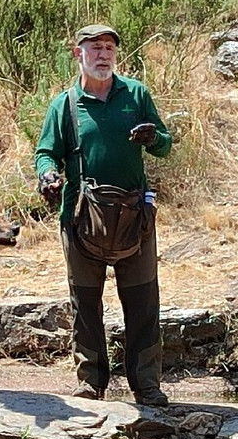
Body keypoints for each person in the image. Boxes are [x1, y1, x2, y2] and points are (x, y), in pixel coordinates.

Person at [34, 24, 172, 407]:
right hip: (81, 218)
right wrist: (48, 175)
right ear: (78, 54)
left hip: (134, 217)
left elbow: (164, 145)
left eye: (109, 48)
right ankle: (90, 383)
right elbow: (45, 152)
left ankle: (146, 385)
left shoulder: (137, 94)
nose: (103, 55)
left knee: (143, 301)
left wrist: (153, 138)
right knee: (85, 301)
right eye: (95, 48)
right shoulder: (64, 104)